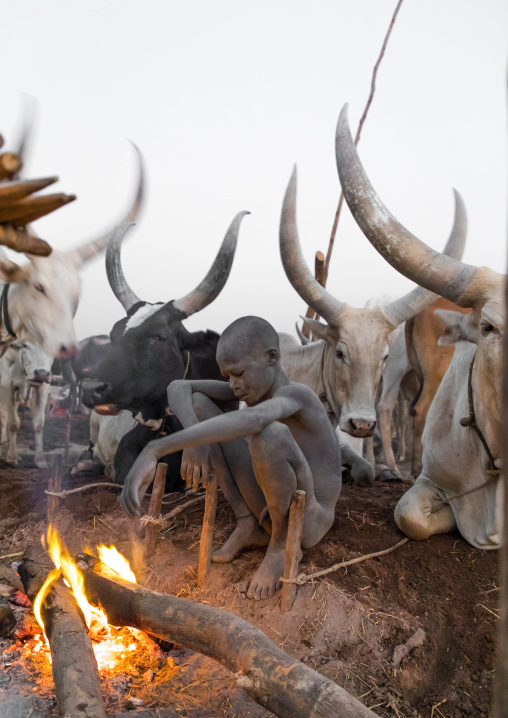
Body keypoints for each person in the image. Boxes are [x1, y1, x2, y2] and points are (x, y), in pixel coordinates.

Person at [120, 316, 342, 600]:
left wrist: (156, 448)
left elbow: (254, 419)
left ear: (271, 358)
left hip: (310, 518)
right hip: (270, 506)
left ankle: (281, 546)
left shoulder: (297, 395)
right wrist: (193, 437)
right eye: (228, 377)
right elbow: (178, 387)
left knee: (269, 435)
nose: (234, 385)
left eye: (239, 374)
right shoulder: (255, 391)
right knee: (199, 404)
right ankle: (248, 521)